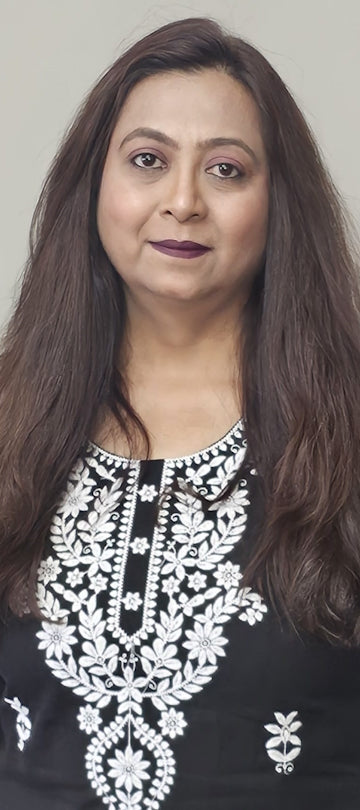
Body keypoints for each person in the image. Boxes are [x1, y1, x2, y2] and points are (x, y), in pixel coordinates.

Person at [0, 15, 360, 810]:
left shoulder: (348, 431)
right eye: (148, 160)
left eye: (227, 170)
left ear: (278, 203)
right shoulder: (10, 415)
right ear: (95, 183)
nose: (184, 201)